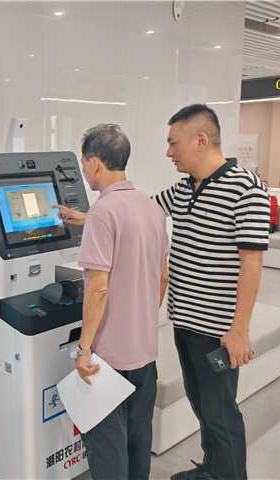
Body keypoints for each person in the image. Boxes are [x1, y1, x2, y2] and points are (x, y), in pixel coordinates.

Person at [57, 105, 270, 480]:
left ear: (200, 140)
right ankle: (212, 470)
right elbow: (133, 214)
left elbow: (252, 263)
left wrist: (240, 329)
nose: (168, 152)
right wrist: (87, 218)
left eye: (173, 143)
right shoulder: (183, 189)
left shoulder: (246, 188)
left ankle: (228, 475)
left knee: (220, 413)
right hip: (185, 323)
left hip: (218, 328)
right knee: (202, 406)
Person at [71, 124, 169, 480]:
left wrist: (84, 350)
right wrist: (139, 319)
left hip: (108, 360)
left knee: (108, 449)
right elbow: (162, 276)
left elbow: (98, 288)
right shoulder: (151, 207)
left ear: (95, 163)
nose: (84, 171)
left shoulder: (103, 211)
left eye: (84, 163)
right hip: (145, 352)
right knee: (138, 441)